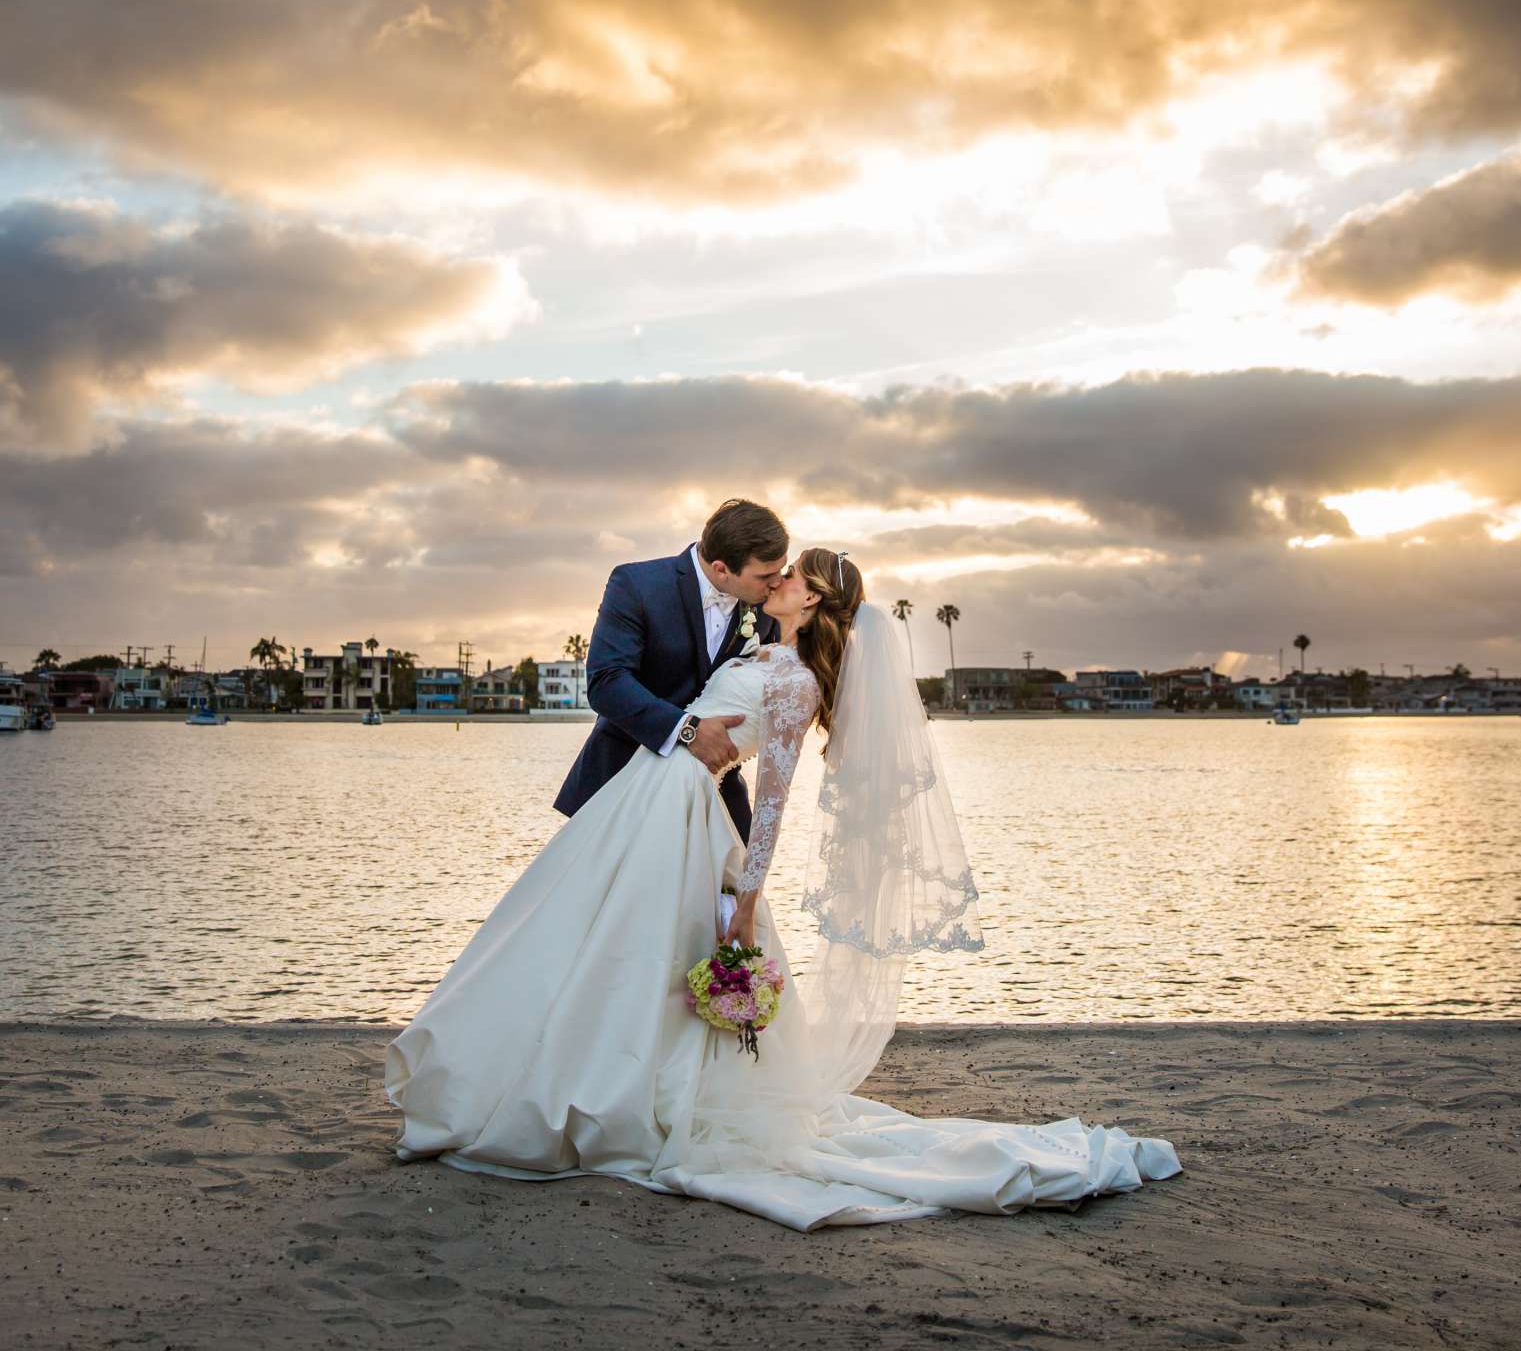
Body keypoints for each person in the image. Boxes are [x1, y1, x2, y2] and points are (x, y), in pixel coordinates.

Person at [386, 548, 1180, 1229]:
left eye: (791, 576)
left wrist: (748, 898)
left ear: (814, 597)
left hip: (683, 813)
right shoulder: (764, 648)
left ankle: (601, 1096)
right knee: (571, 934)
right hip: (643, 796)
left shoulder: (798, 683)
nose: (777, 582)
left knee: (629, 956)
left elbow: (772, 800)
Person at [554, 498, 789, 841]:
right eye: (766, 575)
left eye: (781, 570)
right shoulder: (636, 584)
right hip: (622, 784)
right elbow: (607, 682)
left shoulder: (767, 608)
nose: (778, 583)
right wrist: (687, 729)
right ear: (722, 568)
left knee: (722, 894)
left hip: (718, 802)